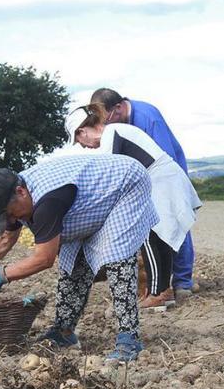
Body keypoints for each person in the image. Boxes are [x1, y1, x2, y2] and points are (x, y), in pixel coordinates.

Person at [0, 154, 158, 362]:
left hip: (125, 184)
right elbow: (6, 237)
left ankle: (129, 338)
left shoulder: (48, 202)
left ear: (21, 192)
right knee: (72, 261)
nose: (12, 221)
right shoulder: (17, 196)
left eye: (10, 214)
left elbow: (43, 259)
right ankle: (63, 332)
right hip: (91, 199)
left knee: (118, 259)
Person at [72, 103, 202, 309]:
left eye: (78, 140)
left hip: (161, 181)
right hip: (163, 181)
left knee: (147, 235)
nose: (83, 145)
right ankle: (162, 291)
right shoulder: (117, 131)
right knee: (159, 238)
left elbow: (111, 178)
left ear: (82, 130)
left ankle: (158, 293)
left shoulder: (111, 133)